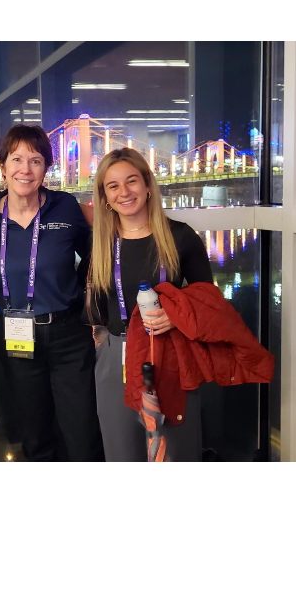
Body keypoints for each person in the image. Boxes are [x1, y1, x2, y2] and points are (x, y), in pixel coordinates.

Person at [0, 124, 104, 461]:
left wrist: (77, 289)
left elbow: (94, 253)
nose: (25, 169)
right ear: (3, 166)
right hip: (15, 335)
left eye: (35, 160)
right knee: (33, 428)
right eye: (17, 159)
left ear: (46, 168)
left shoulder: (64, 207)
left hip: (68, 334)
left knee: (80, 426)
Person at [87, 148, 213, 461]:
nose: (124, 192)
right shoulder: (102, 243)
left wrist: (176, 315)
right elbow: (95, 309)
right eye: (113, 186)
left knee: (175, 455)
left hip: (169, 354)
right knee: (122, 453)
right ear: (104, 196)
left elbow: (208, 299)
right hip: (118, 359)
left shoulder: (180, 237)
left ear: (147, 186)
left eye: (131, 181)